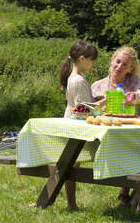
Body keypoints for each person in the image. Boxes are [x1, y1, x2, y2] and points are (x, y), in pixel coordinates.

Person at [91, 46, 140, 208]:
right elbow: (88, 108)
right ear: (112, 60)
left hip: (129, 129)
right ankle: (128, 192)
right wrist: (100, 107)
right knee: (124, 151)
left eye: (125, 65)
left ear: (131, 68)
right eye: (118, 62)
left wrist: (133, 96)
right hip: (106, 133)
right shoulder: (98, 85)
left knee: (139, 150)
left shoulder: (133, 82)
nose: (120, 67)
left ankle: (132, 193)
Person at [58, 40, 103, 210]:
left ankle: (72, 203)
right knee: (72, 162)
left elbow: (84, 102)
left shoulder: (79, 77)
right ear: (82, 59)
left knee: (73, 162)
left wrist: (95, 101)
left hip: (76, 122)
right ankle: (71, 204)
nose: (93, 64)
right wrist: (103, 103)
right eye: (92, 60)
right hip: (76, 125)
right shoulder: (77, 80)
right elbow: (80, 109)